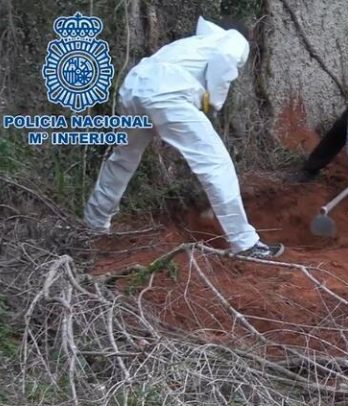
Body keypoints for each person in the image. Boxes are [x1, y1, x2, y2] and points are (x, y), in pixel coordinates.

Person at [83, 17, 285, 259]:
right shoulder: (231, 39)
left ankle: (93, 226)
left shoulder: (189, 45)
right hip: (166, 95)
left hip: (133, 89)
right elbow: (226, 58)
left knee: (123, 159)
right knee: (216, 164)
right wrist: (215, 101)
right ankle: (246, 244)